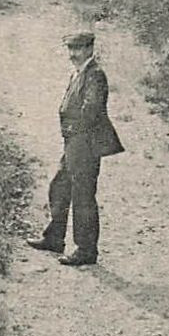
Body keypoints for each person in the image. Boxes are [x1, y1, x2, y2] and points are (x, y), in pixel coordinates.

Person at [26, 30, 123, 266]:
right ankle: (54, 238)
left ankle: (86, 250)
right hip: (74, 143)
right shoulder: (81, 72)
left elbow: (91, 110)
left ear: (90, 49)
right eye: (70, 50)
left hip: (85, 144)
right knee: (60, 187)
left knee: (82, 196)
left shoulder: (95, 75)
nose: (73, 55)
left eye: (78, 49)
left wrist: (72, 129)